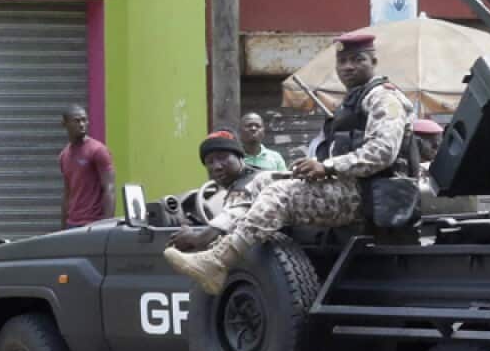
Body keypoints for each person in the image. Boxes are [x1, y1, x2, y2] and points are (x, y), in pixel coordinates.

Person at [164, 32, 416, 295]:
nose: (348, 66)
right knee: (263, 179)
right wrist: (314, 167)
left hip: (369, 194)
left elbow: (382, 152)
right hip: (349, 186)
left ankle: (218, 261)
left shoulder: (382, 97)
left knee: (279, 193)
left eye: (357, 59)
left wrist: (327, 167)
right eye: (342, 61)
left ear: (374, 61)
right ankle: (215, 234)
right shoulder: (355, 99)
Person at [167, 131, 268, 254]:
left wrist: (194, 238)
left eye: (222, 157)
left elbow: (229, 219)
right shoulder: (251, 177)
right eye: (210, 162)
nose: (216, 167)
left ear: (240, 158)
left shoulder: (250, 182)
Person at [59, 105, 115, 228]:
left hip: (93, 224)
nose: (82, 124)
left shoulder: (98, 150)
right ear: (64, 123)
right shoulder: (64, 155)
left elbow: (109, 189)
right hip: (72, 224)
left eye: (84, 120)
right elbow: (68, 193)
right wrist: (63, 227)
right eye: (77, 121)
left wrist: (107, 226)